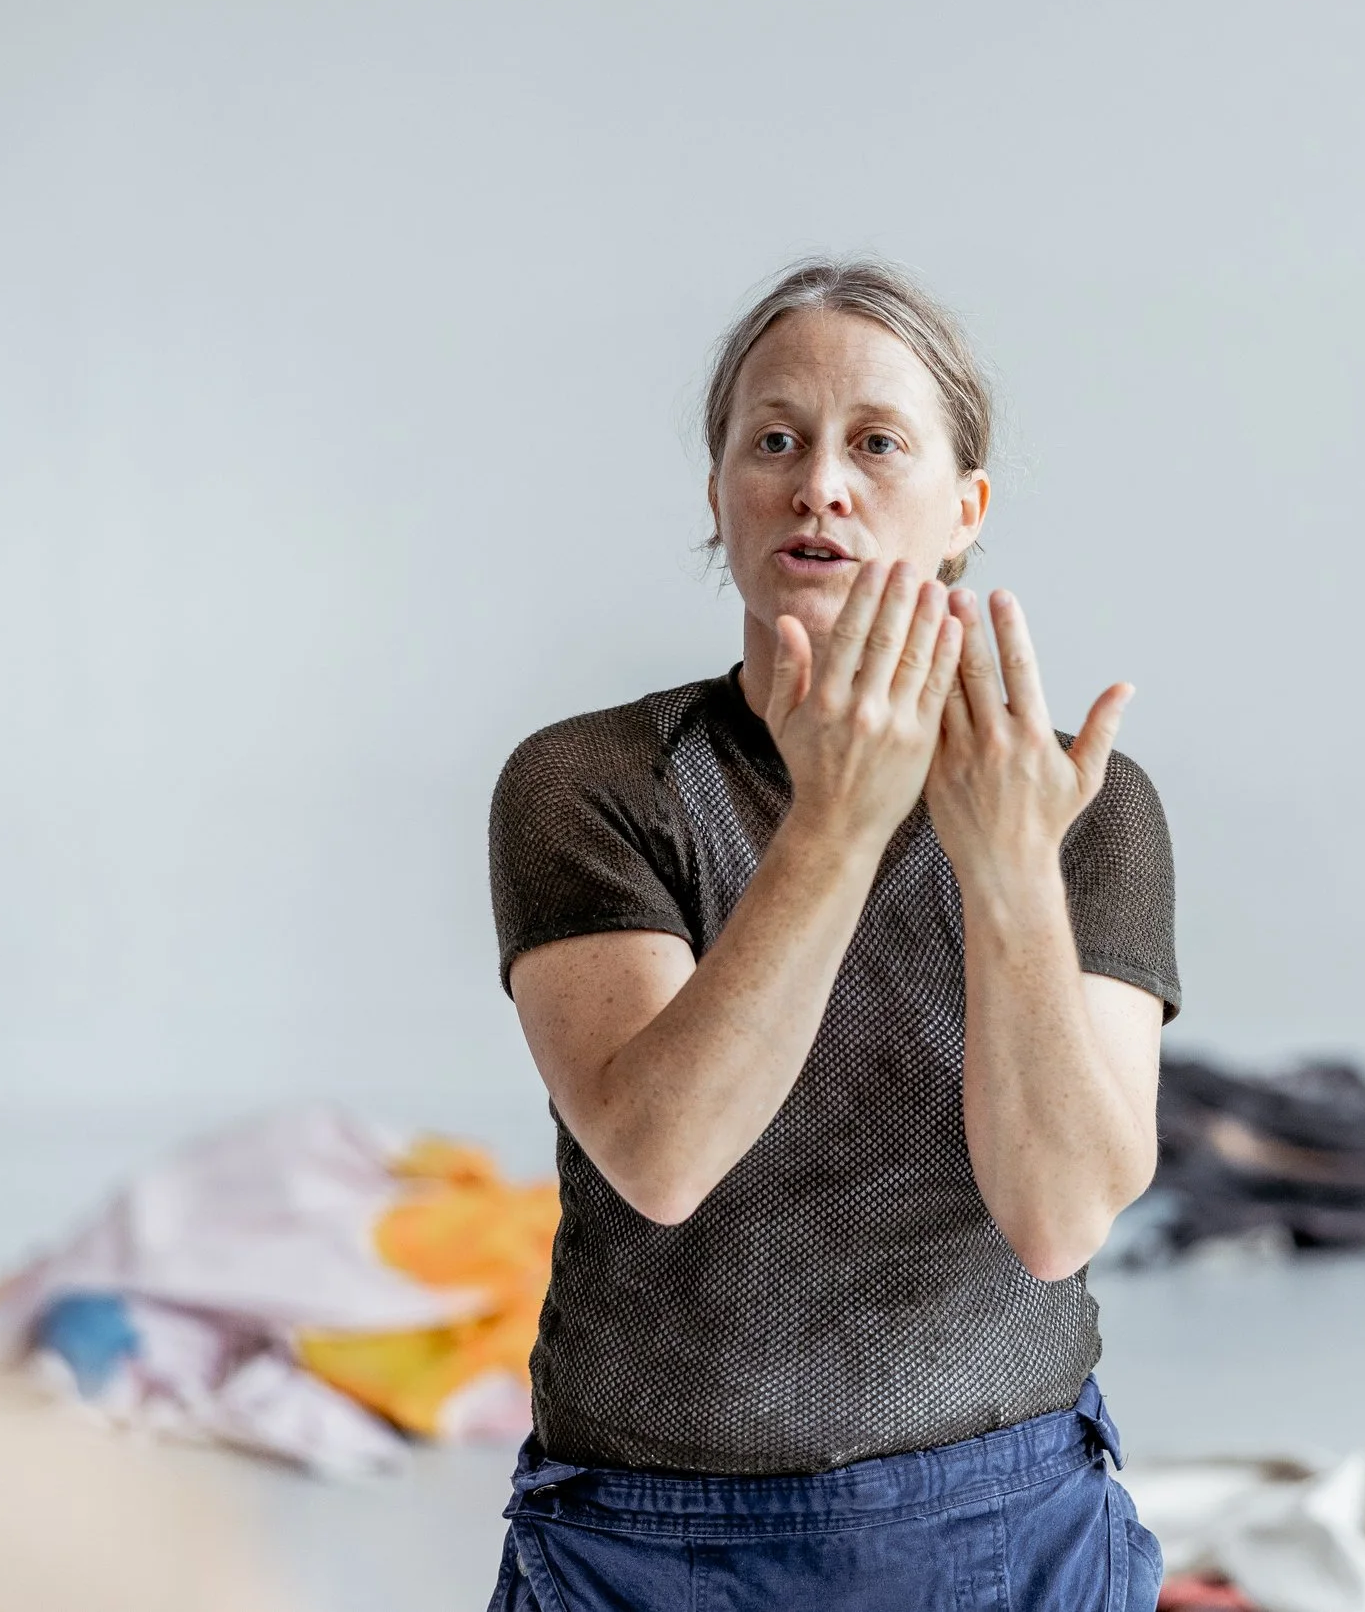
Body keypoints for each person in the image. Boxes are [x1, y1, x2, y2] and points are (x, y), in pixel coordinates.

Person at [484, 258, 1180, 1611]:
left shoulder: (1084, 803)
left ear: (965, 507)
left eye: (877, 444)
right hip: (642, 1545)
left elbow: (1058, 1218)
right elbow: (662, 1156)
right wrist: (839, 822)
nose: (819, 486)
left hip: (1011, 1528)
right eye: (775, 442)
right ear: (718, 494)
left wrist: (1010, 865)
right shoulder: (589, 782)